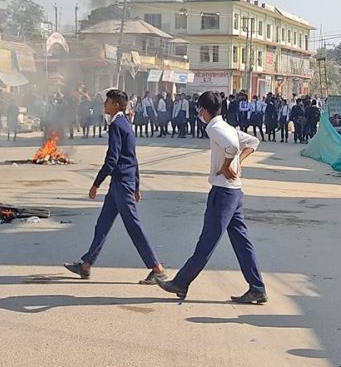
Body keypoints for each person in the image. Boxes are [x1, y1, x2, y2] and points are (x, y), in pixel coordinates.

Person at [155, 91, 266, 304]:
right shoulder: (226, 126)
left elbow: (232, 147)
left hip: (223, 192)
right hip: (235, 191)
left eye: (200, 110)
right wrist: (237, 163)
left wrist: (226, 166)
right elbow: (252, 141)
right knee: (242, 242)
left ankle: (181, 282)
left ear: (203, 110)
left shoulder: (214, 127)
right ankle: (257, 287)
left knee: (207, 241)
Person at [65, 89, 166, 284]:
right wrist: (136, 185)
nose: (104, 104)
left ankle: (157, 268)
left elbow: (112, 159)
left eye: (108, 102)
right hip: (121, 184)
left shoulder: (117, 126)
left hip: (121, 184)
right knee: (102, 225)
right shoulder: (125, 124)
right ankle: (86, 265)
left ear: (116, 105)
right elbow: (133, 158)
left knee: (134, 226)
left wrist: (96, 184)